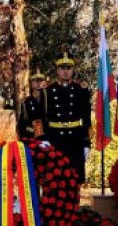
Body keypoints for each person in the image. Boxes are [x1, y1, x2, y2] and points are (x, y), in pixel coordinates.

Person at [41, 52, 91, 185]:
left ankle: (75, 199)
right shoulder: (47, 91)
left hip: (75, 139)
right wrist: (42, 138)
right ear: (57, 70)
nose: (65, 71)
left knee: (75, 177)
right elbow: (40, 117)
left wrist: (86, 142)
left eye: (68, 68)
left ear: (73, 69)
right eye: (62, 68)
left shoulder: (81, 90)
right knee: (54, 178)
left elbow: (86, 118)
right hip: (54, 139)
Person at [17, 70, 47, 139]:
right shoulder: (26, 102)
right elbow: (22, 124)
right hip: (32, 137)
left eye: (41, 80)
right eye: (35, 80)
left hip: (49, 136)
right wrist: (32, 130)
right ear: (31, 83)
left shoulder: (49, 98)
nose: (39, 83)